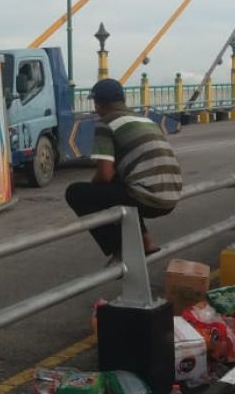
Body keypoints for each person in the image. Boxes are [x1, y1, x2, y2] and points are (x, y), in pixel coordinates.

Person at [65, 78, 183, 262]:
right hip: (171, 196)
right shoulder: (145, 120)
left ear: (98, 104)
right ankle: (147, 242)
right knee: (124, 185)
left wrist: (93, 189)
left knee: (76, 193)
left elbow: (105, 174)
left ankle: (120, 250)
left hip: (148, 198)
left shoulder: (107, 122)